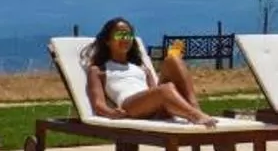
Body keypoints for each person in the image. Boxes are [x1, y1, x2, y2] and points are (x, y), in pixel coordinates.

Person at [84, 17, 218, 124]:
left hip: (153, 107)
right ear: (107, 41)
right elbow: (98, 103)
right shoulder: (99, 70)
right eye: (120, 35)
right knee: (166, 89)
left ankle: (195, 108)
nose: (125, 39)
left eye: (129, 35)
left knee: (172, 60)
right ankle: (194, 115)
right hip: (130, 106)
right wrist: (111, 113)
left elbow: (154, 91)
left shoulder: (142, 69)